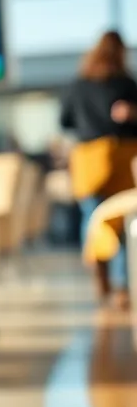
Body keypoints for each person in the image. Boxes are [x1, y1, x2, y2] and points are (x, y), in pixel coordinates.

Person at [62, 30, 137, 309]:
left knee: (93, 218)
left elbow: (64, 121)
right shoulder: (126, 84)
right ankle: (121, 285)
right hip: (121, 156)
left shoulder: (78, 85)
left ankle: (99, 275)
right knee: (120, 220)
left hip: (88, 158)